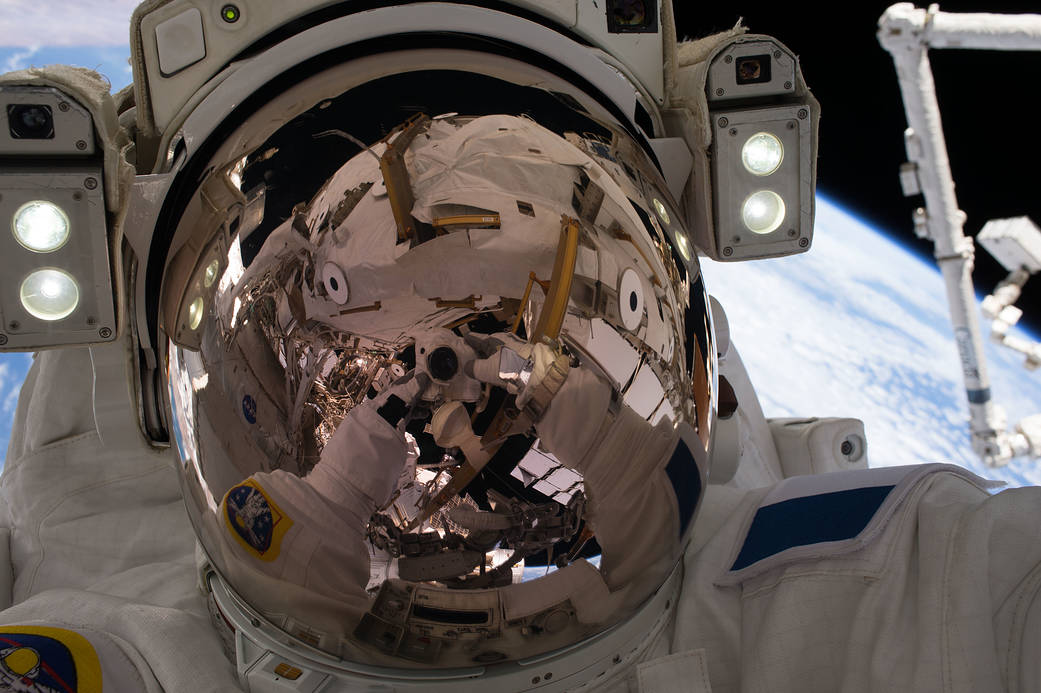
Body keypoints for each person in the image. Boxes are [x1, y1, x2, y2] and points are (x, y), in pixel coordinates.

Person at [1, 2, 1039, 691]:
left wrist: (567, 426)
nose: (433, 365)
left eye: (491, 322)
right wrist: (355, 477)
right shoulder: (794, 613)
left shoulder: (844, 592)